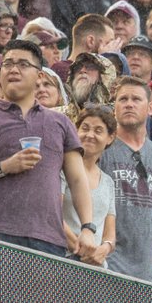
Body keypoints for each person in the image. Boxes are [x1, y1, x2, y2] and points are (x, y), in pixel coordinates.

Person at [0, 39, 97, 258]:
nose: (13, 69)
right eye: (8, 64)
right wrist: (4, 167)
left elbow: (78, 180)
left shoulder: (61, 123)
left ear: (39, 76)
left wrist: (88, 228)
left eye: (23, 64)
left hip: (49, 240)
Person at [99, 77, 152, 286]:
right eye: (123, 99)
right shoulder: (103, 151)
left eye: (136, 99)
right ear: (114, 108)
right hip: (107, 272)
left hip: (151, 279)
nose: (129, 104)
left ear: (150, 108)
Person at [61, 105, 116, 266]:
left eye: (98, 131)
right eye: (85, 128)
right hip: (64, 258)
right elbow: (52, 214)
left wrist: (105, 248)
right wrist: (80, 250)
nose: (90, 135)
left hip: (96, 267)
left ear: (110, 138)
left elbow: (110, 232)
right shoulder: (62, 169)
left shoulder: (108, 182)